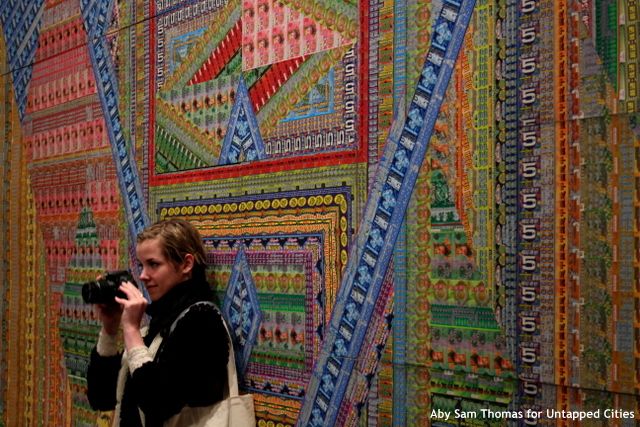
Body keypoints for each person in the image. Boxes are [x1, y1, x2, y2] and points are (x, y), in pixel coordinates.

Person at [86, 219, 230, 426]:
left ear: (186, 264)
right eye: (141, 265)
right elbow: (101, 398)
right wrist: (110, 328)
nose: (143, 276)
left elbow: (157, 402)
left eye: (153, 264)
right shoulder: (159, 322)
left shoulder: (202, 321)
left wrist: (131, 330)